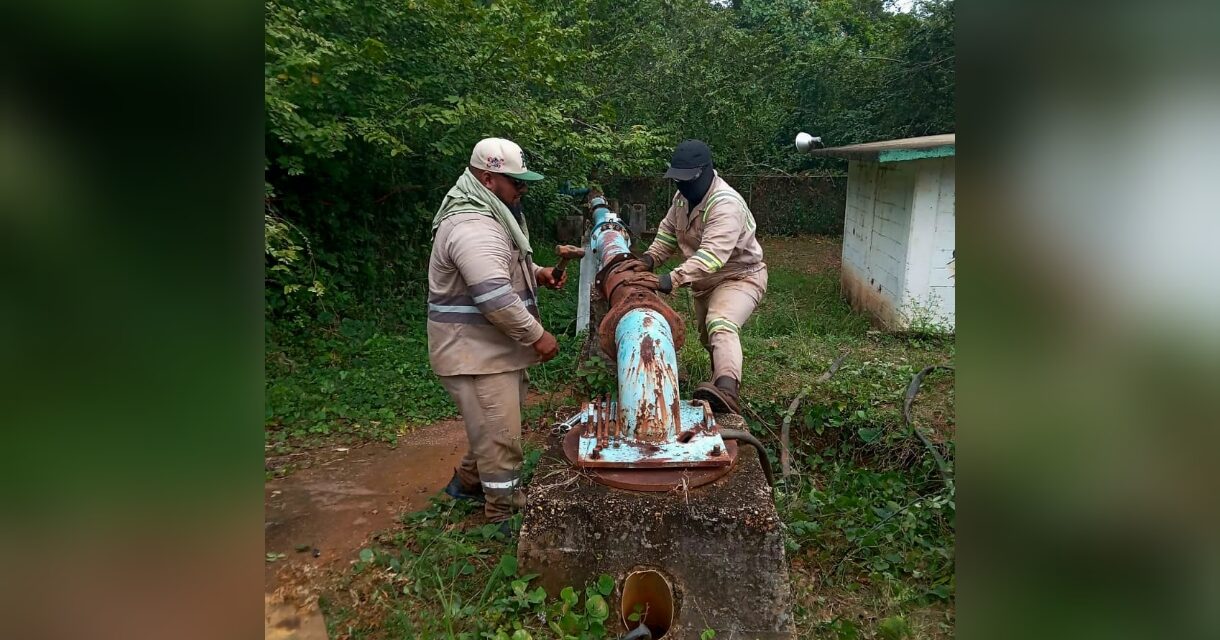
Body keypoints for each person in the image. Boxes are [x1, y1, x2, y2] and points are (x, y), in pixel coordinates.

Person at [427, 137, 565, 527]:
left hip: (488, 350)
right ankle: (503, 512)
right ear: (489, 179)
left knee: (494, 422)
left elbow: (497, 272)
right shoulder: (474, 227)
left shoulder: (488, 216)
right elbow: (495, 298)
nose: (523, 190)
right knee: (501, 436)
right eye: (517, 183)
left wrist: (538, 274)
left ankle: (466, 483)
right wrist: (538, 336)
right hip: (475, 354)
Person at [631, 139, 767, 415]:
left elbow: (712, 257)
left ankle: (728, 391)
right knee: (709, 339)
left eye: (686, 180)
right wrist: (648, 260)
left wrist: (668, 279)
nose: (681, 186)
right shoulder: (683, 199)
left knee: (721, 323)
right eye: (677, 180)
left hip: (739, 277)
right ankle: (719, 386)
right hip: (704, 283)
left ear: (705, 172)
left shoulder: (725, 204)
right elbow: (668, 232)